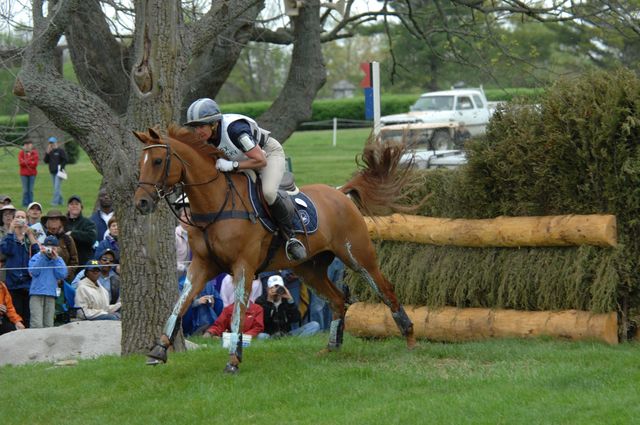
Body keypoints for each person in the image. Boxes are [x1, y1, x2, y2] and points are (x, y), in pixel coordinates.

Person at [184, 98, 306, 261]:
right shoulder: (206, 138)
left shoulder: (236, 130)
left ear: (214, 123)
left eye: (201, 126)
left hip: (267, 155)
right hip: (244, 161)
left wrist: (233, 166)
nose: (197, 132)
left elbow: (260, 160)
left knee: (268, 193)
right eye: (194, 127)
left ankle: (291, 237)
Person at [0, 209, 39, 326]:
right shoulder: (9, 238)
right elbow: (6, 250)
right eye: (17, 217)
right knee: (16, 316)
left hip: (28, 284)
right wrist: (11, 231)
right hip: (13, 284)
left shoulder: (29, 239)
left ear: (27, 220)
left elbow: (38, 255)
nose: (20, 220)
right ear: (12, 220)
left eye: (23, 217)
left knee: (27, 317)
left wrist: (30, 235)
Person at [256, 274, 320, 339]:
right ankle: (292, 342)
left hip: (287, 335)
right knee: (261, 336)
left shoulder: (286, 299)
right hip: (269, 335)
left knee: (314, 325)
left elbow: (296, 319)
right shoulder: (260, 301)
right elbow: (263, 321)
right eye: (273, 287)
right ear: (267, 289)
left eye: (279, 287)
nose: (276, 290)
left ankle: (294, 343)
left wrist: (290, 299)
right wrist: (269, 302)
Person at [28, 235, 68, 328]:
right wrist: (42, 257)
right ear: (43, 247)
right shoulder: (37, 257)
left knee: (49, 324)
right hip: (36, 293)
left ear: (57, 248)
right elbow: (33, 272)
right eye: (48, 247)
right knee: (36, 324)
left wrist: (56, 259)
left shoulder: (58, 260)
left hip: (51, 294)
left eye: (53, 247)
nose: (50, 250)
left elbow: (62, 275)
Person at [42, 209, 79, 281]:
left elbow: (74, 261)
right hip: (45, 280)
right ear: (47, 223)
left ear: (61, 222)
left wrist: (64, 274)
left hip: (64, 280)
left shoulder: (67, 239)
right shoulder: (42, 238)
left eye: (56, 219)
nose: (54, 222)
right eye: (51, 219)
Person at [65, 195, 97, 265]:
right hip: (67, 262)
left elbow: (91, 238)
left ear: (81, 207)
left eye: (77, 204)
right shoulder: (63, 223)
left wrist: (72, 234)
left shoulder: (88, 223)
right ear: (68, 207)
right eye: (71, 204)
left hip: (84, 262)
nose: (74, 206)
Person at [43, 136, 67, 206]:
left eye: (53, 143)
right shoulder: (50, 152)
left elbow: (65, 160)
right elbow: (45, 161)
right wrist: (47, 153)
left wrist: (61, 167)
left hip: (59, 172)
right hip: (52, 172)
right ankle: (61, 201)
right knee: (56, 188)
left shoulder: (60, 151)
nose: (51, 144)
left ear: (56, 143)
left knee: (56, 188)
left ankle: (54, 202)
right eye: (50, 143)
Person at [18, 139, 39, 207]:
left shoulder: (35, 153)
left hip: (32, 174)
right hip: (24, 174)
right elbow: (21, 163)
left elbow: (35, 164)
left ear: (31, 145)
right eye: (26, 145)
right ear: (24, 146)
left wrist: (26, 161)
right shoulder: (21, 153)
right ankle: (25, 203)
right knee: (25, 190)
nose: (27, 146)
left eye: (29, 144)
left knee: (31, 190)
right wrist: (30, 161)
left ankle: (30, 203)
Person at [0, 204, 17, 282]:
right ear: (2, 217)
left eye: (11, 214)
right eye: (6, 214)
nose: (8, 216)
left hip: (16, 267)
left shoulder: (19, 231)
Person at [175, 207, 191, 279]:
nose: (187, 218)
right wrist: (184, 268)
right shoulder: (174, 235)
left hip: (190, 277)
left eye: (189, 216)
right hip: (176, 277)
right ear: (179, 219)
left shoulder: (195, 236)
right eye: (185, 216)